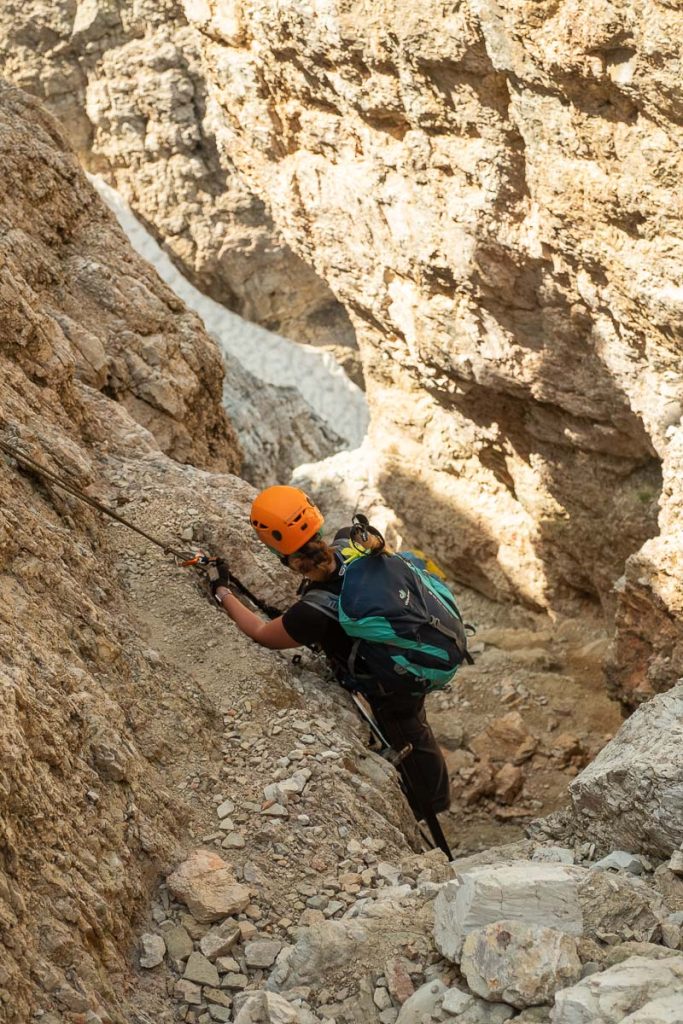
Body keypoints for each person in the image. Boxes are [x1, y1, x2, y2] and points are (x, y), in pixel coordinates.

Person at [210, 485, 451, 826]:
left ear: (286, 559)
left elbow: (262, 634)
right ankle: (434, 796)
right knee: (416, 726)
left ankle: (431, 803)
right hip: (409, 648)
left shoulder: (313, 613)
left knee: (407, 730)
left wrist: (221, 590)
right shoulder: (350, 542)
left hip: (389, 683)